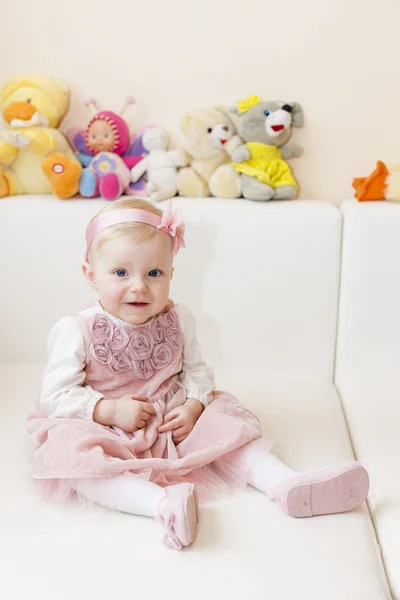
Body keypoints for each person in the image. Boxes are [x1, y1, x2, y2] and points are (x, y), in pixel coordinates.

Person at [26, 198, 370, 551]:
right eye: (120, 273)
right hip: (102, 422)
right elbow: (56, 396)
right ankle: (162, 504)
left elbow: (197, 371)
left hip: (169, 419)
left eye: (154, 273)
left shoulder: (179, 318)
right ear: (91, 275)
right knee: (75, 459)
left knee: (226, 430)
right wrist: (108, 411)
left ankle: (287, 483)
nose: (139, 286)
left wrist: (193, 405)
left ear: (170, 274)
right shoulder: (75, 329)